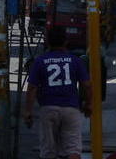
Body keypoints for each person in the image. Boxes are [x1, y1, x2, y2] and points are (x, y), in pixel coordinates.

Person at [24, 27, 92, 159]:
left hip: (48, 108)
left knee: (48, 151)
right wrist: (89, 104)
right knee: (73, 149)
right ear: (66, 42)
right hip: (71, 108)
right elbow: (87, 85)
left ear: (48, 42)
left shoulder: (40, 61)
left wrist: (28, 111)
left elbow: (32, 88)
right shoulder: (75, 60)